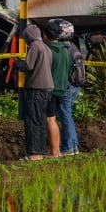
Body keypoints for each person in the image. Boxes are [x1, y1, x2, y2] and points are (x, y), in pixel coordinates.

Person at [14, 23, 52, 161]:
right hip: (47, 89)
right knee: (40, 120)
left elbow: (29, 66)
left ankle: (34, 154)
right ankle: (40, 152)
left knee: (32, 121)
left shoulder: (35, 46)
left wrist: (18, 63)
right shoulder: (46, 47)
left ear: (29, 36)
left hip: (36, 88)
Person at [50, 18, 81, 156]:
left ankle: (68, 147)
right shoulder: (73, 46)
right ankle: (73, 146)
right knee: (68, 114)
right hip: (76, 85)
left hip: (67, 86)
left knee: (65, 115)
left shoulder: (63, 48)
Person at [43, 21, 70, 158]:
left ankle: (54, 152)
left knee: (50, 120)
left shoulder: (48, 50)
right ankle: (56, 150)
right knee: (54, 119)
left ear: (45, 35)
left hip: (51, 89)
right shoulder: (65, 50)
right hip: (62, 88)